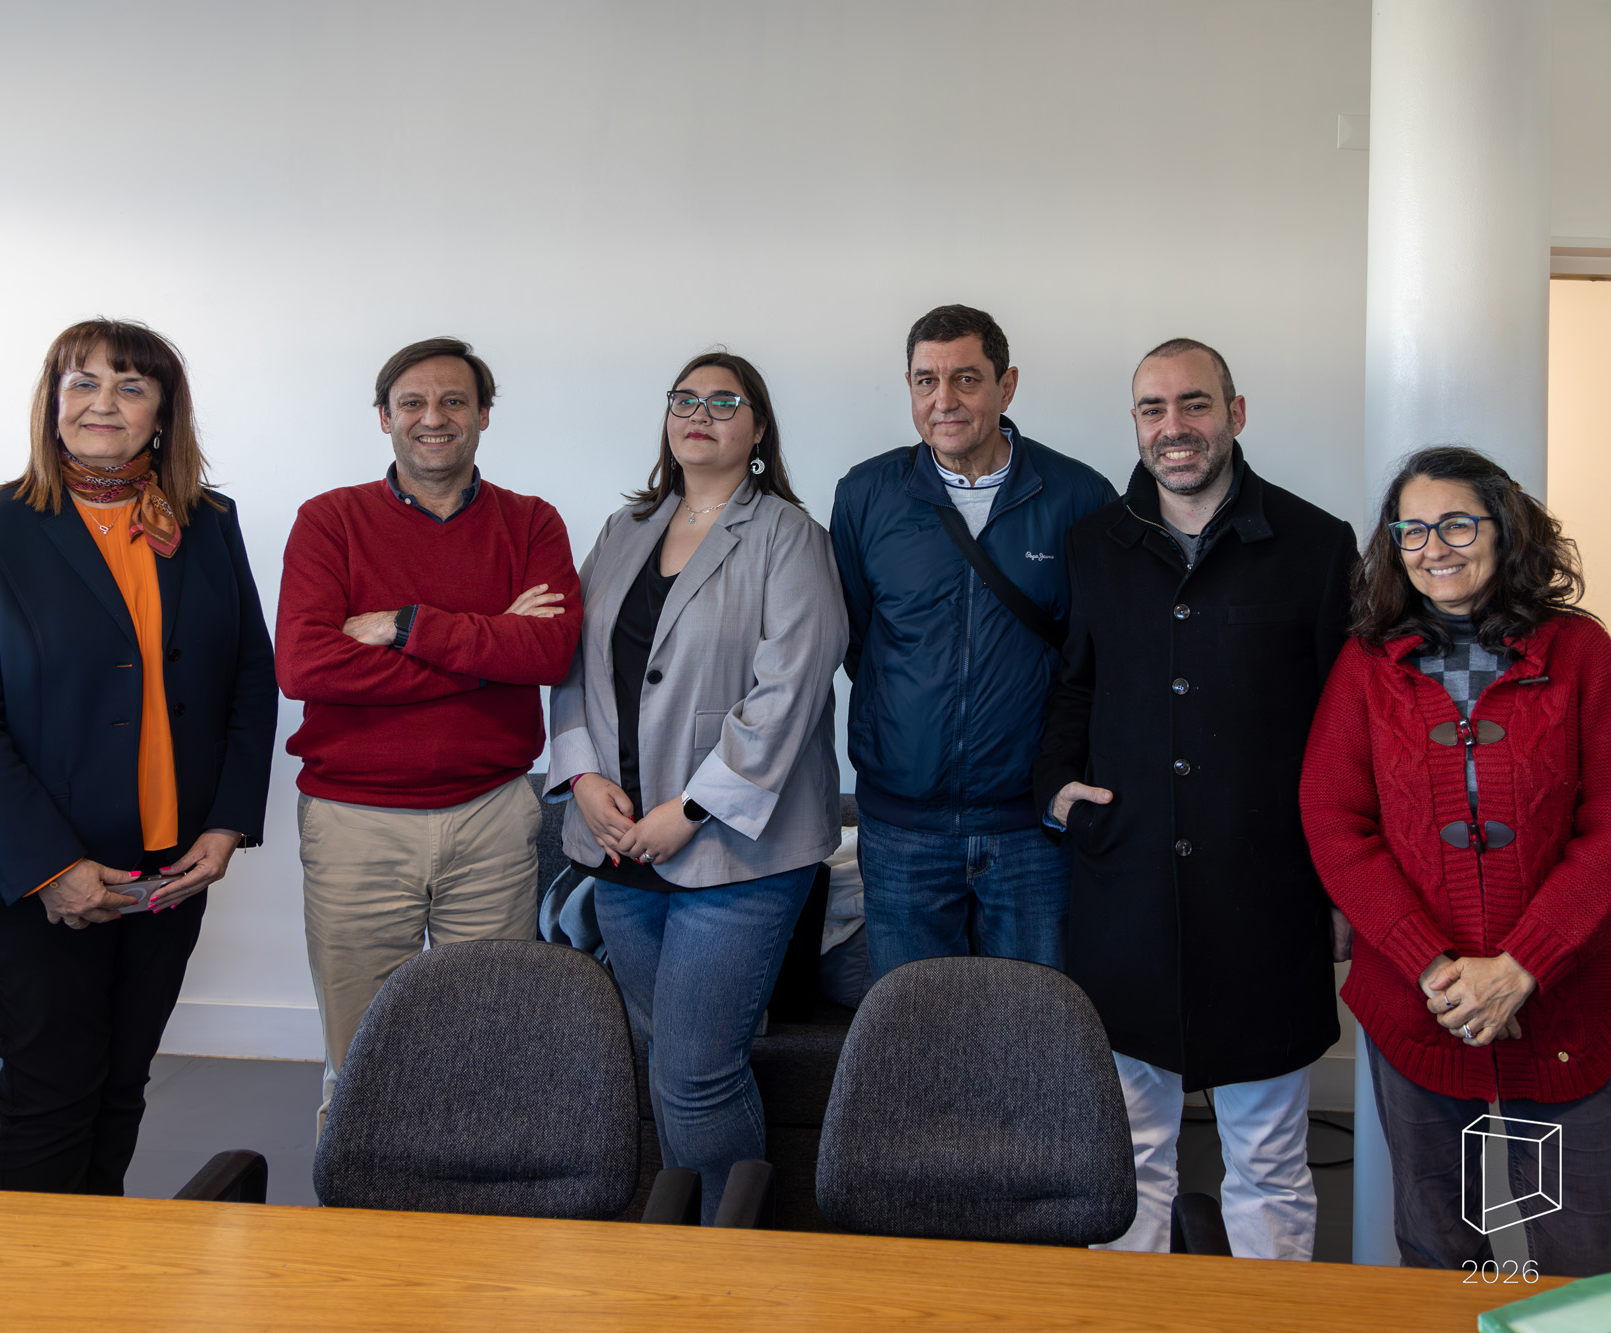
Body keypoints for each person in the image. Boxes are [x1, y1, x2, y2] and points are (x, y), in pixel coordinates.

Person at [0, 319, 277, 1195]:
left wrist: (229, 822)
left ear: (162, 414)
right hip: (46, 867)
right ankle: (42, 1296)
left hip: (173, 862)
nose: (101, 403)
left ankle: (100, 1265)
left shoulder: (207, 522)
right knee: (51, 1088)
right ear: (52, 404)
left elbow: (249, 681)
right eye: (80, 383)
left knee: (123, 1081)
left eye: (129, 386)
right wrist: (52, 868)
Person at [1034, 339, 1356, 1260]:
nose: (1173, 428)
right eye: (1152, 409)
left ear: (1237, 412)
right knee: (1130, 1155)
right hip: (1126, 884)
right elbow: (1075, 685)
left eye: (1195, 404)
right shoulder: (1095, 542)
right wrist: (1058, 792)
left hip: (1266, 896)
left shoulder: (1316, 544)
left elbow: (1348, 728)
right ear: (1134, 424)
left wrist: (1339, 883)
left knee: (1267, 1156)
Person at [547, 351, 844, 1222]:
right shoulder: (623, 529)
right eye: (685, 399)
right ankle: (684, 1233)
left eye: (725, 400)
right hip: (619, 842)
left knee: (696, 1065)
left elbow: (790, 689)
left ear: (756, 429)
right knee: (663, 1052)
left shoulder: (789, 536)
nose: (701, 413)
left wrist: (692, 807)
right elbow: (574, 667)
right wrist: (583, 774)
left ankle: (734, 1255)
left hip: (735, 848)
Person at [1302, 446, 1611, 1277]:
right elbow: (1335, 822)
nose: (1433, 547)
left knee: (1579, 1249)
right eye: (1411, 531)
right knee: (1439, 1243)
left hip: (1568, 1003)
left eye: (1456, 523)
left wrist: (1521, 967)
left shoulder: (1582, 653)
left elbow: (1607, 825)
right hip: (1418, 1004)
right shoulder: (1368, 663)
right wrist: (1433, 967)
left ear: (1505, 529)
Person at [275, 337, 581, 1125]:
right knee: (363, 1054)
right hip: (354, 822)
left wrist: (405, 624)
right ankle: (358, 1224)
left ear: (483, 415)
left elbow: (548, 649)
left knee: (484, 1042)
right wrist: (487, 646)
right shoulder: (330, 521)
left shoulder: (531, 523)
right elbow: (306, 666)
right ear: (384, 418)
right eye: (412, 402)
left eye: (453, 401)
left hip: (492, 815)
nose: (432, 418)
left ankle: (472, 1225)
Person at [831, 304, 1115, 977]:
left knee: (1031, 1030)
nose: (944, 400)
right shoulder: (867, 494)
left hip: (1031, 825)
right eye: (926, 381)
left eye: (966, 379)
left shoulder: (1079, 496)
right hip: (902, 827)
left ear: (1006, 385)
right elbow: (857, 637)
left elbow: (1095, 654)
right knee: (912, 1033)